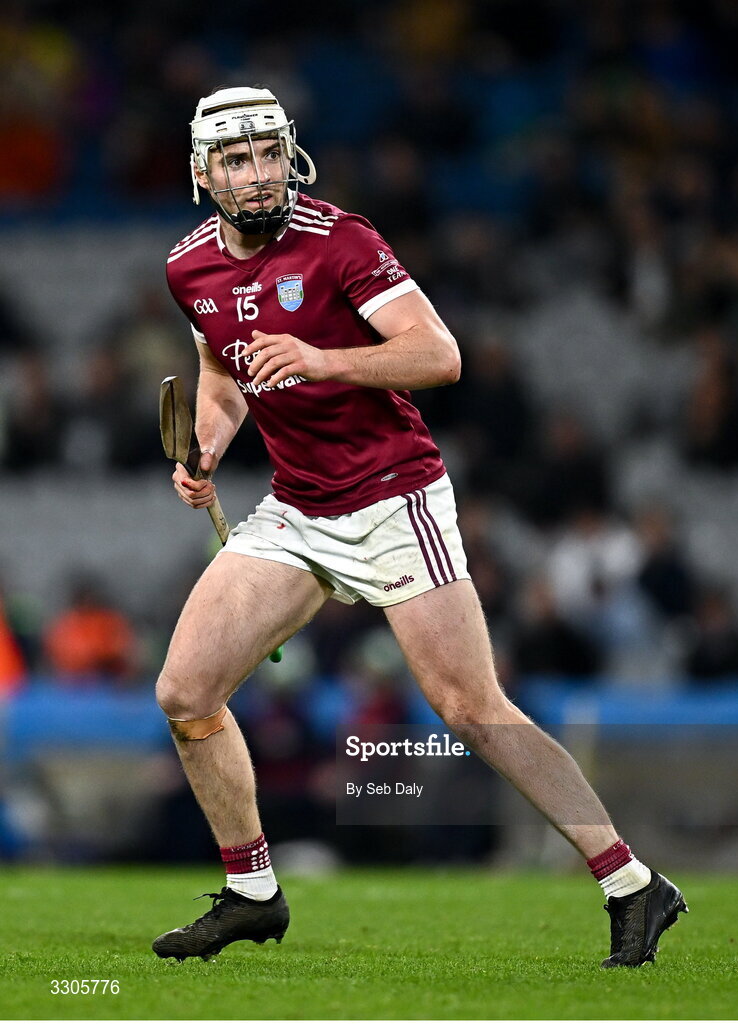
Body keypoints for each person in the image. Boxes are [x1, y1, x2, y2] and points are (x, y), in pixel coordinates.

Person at [152, 86, 687, 966]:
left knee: (471, 707)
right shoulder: (187, 268)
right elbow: (221, 371)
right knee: (184, 694)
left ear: (290, 153)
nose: (257, 174)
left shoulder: (344, 240)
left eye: (269, 152)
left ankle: (631, 881)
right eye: (237, 159)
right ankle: (253, 893)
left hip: (393, 495)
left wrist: (323, 360)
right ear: (204, 172)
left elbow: (440, 355)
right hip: (298, 505)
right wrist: (207, 446)